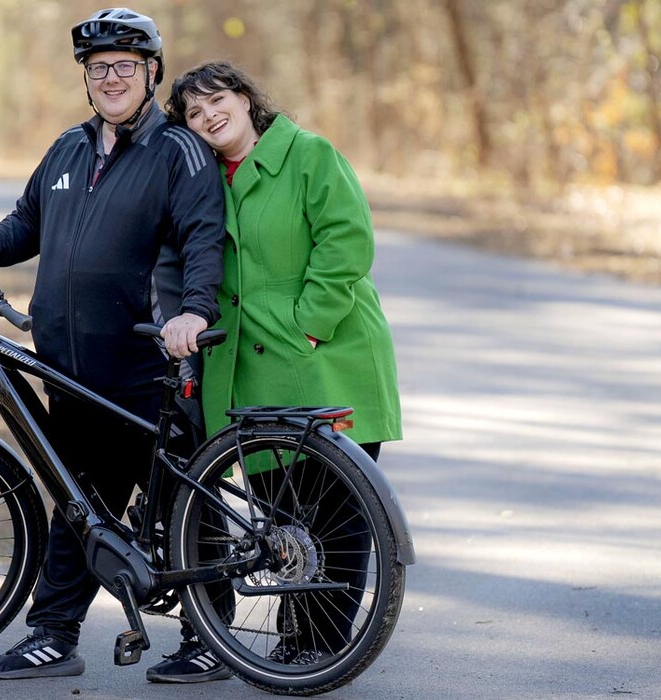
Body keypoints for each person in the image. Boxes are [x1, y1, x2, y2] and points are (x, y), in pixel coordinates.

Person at [0, 8, 226, 682]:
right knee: (79, 502)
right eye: (99, 69)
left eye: (126, 66)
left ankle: (209, 636)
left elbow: (204, 239)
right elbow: (27, 223)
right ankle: (53, 636)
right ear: (86, 79)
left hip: (144, 363)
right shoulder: (68, 148)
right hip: (67, 367)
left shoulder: (178, 150)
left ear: (152, 72)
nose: (113, 78)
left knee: (183, 502)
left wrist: (194, 313)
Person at [161, 61, 402, 669]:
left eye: (217, 100)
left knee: (337, 509)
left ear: (245, 100)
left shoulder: (309, 154)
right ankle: (297, 643)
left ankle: (321, 645)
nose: (208, 116)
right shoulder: (204, 177)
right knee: (282, 515)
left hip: (328, 356)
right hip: (251, 367)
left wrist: (308, 325)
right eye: (193, 112)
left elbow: (346, 240)